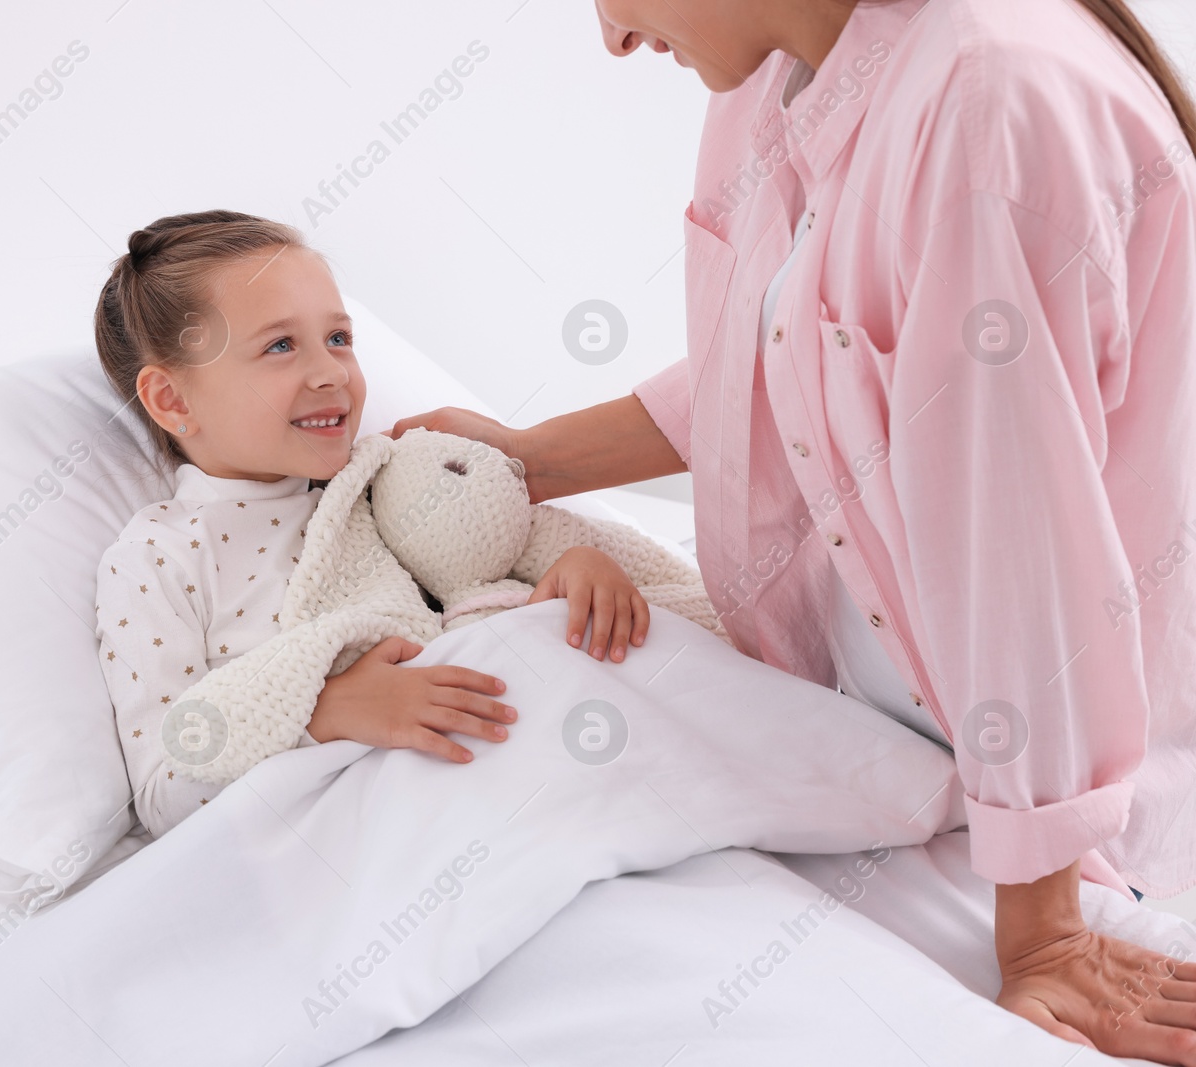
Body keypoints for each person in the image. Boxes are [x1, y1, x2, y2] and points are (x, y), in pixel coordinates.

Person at [390, 0, 1196, 1058]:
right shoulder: (772, 82)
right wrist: (524, 460)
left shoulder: (986, 100)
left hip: (1054, 798)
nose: (612, 37)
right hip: (871, 736)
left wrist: (1043, 934)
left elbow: (1018, 541)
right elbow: (794, 355)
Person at [90, 210, 646, 836]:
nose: (331, 372)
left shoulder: (386, 483)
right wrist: (324, 712)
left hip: (527, 777)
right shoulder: (160, 559)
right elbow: (165, 798)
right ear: (173, 400)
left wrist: (570, 573)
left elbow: (482, 577)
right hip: (380, 834)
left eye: (338, 339)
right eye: (279, 345)